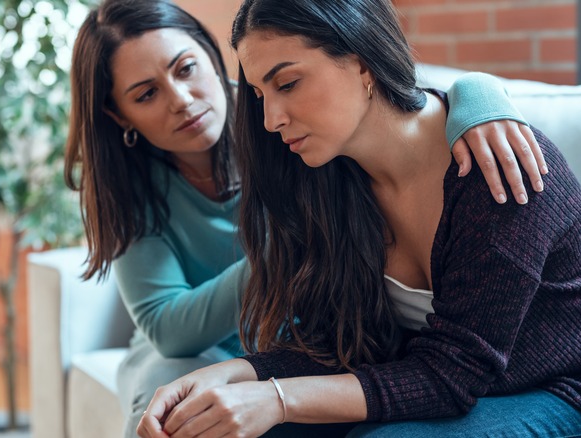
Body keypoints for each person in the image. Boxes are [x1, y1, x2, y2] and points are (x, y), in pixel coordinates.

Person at [135, 0, 581, 437]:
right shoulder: (332, 180)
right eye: (259, 95)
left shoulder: (494, 166)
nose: (271, 119)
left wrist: (275, 397)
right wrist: (237, 374)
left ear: (362, 62)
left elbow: (453, 374)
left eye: (288, 83)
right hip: (471, 386)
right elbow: (342, 350)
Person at [64, 0, 548, 436]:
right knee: (169, 402)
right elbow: (170, 331)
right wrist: (288, 254)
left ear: (212, 58)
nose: (182, 100)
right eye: (146, 94)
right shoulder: (145, 180)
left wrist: (479, 93)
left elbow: (396, 97)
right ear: (119, 115)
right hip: (231, 345)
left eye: (186, 68)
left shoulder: (300, 132)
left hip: (301, 335)